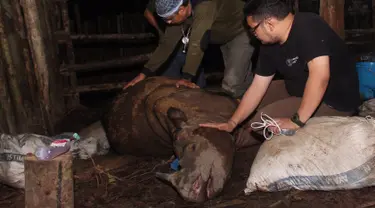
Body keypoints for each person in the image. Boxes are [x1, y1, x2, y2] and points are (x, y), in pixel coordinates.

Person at [200, 0, 361, 148]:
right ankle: (233, 135)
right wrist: (232, 122)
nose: (252, 35)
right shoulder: (269, 44)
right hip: (297, 86)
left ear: (269, 24)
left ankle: (234, 144)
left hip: (334, 101)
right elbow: (257, 86)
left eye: (253, 30)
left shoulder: (309, 25)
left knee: (261, 122)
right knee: (246, 105)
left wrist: (296, 121)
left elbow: (320, 76)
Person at [124, 0, 256, 99]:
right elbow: (167, 44)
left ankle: (243, 114)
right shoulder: (181, 12)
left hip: (240, 32)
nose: (168, 23)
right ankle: (251, 105)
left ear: (181, 10)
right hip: (222, 35)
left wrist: (187, 77)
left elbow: (197, 44)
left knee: (232, 84)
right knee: (241, 77)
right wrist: (143, 74)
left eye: (169, 19)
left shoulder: (204, 6)